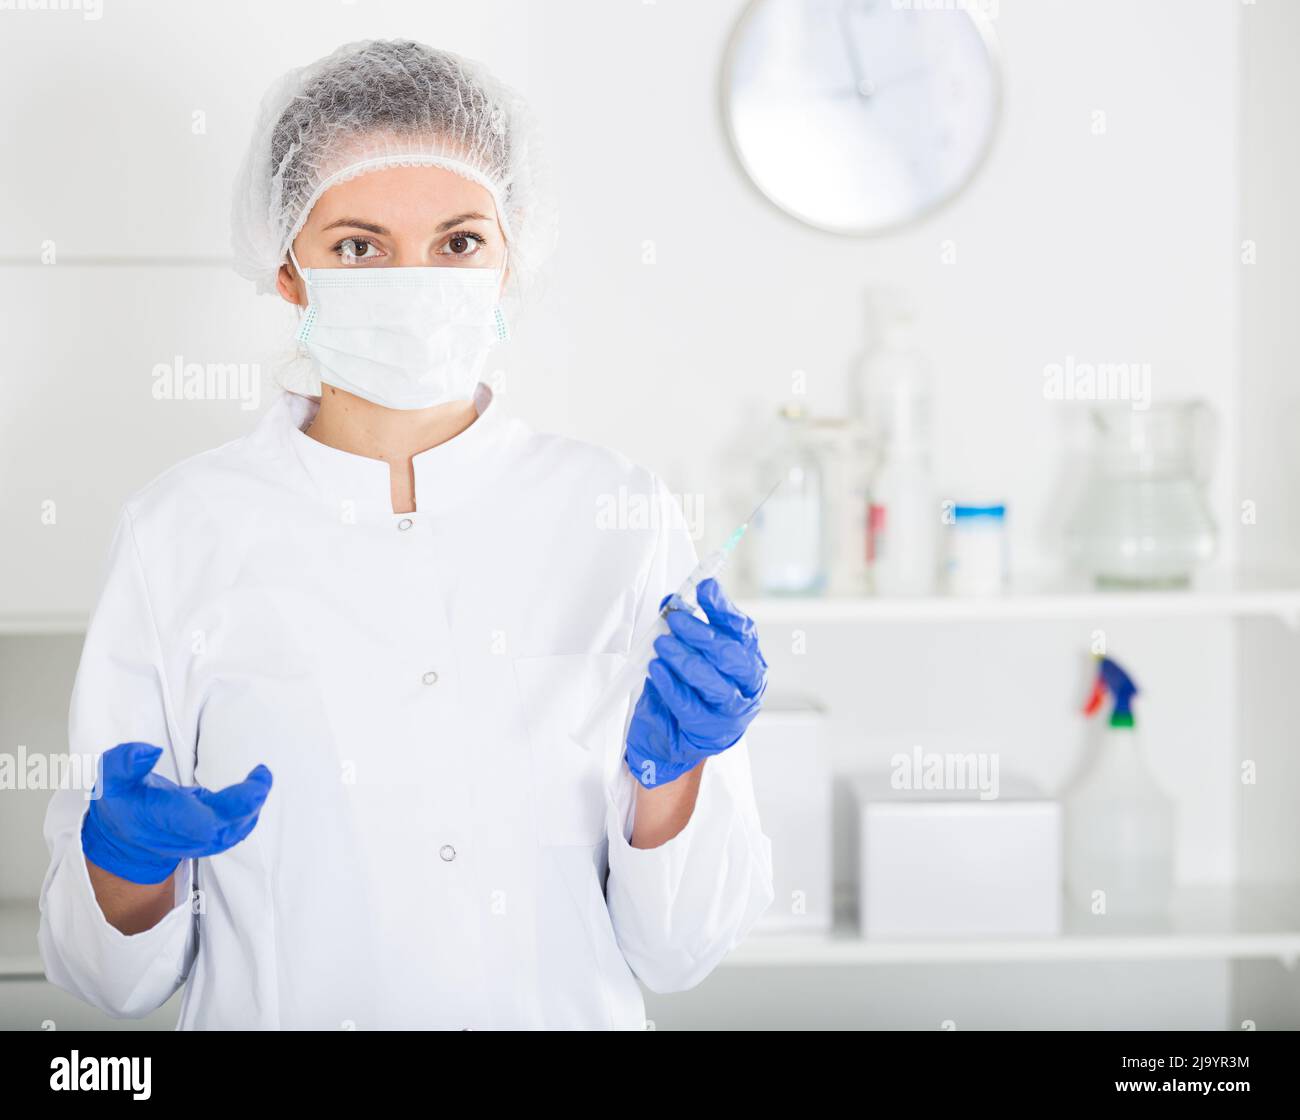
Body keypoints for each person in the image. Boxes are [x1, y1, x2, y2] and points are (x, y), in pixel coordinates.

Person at [37, 39, 773, 1030]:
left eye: (459, 241)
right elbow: (111, 981)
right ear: (288, 270)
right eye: (358, 246)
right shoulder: (182, 531)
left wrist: (673, 778)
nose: (414, 279)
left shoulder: (617, 513)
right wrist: (123, 863)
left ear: (513, 254)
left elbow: (678, 953)